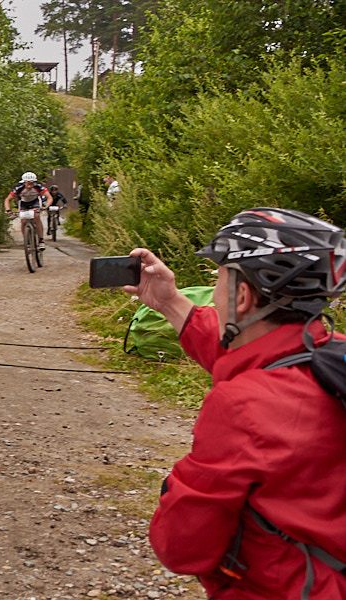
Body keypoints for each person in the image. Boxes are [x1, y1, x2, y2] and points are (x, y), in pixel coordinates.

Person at [123, 208, 346, 599]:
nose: (213, 292)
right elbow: (253, 356)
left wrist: (171, 490)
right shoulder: (331, 356)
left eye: (219, 279)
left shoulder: (241, 405)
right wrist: (170, 302)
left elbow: (183, 548)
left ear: (241, 297)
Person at [3, 171, 53, 250]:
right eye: (27, 183)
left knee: (36, 216)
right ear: (24, 182)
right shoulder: (19, 187)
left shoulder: (39, 186)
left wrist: (46, 206)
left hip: (35, 202)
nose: (29, 186)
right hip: (23, 202)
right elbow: (7, 199)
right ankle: (26, 240)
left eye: (31, 183)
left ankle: (41, 240)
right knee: (23, 221)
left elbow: (49, 197)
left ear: (34, 182)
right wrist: (8, 209)